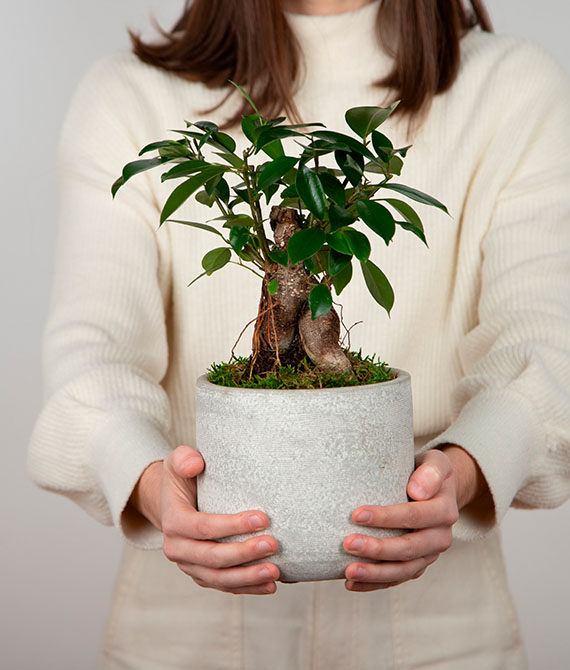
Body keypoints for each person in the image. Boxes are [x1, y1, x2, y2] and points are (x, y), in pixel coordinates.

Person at [28, 0, 570, 667]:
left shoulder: (512, 88)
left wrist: (456, 477)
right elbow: (93, 355)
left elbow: (546, 352)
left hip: (438, 628)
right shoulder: (129, 95)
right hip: (191, 627)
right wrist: (147, 482)